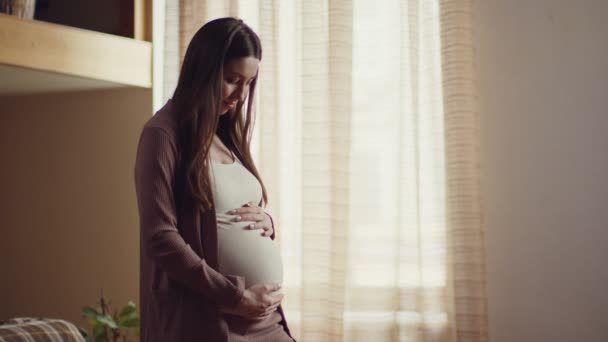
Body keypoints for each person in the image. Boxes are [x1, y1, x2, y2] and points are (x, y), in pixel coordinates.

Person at [134, 17, 294, 341]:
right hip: (211, 321)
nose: (240, 94)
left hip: (265, 322)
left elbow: (228, 209)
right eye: (233, 79)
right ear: (203, 72)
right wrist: (236, 296)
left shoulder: (225, 134)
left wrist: (266, 222)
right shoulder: (162, 136)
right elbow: (161, 239)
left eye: (249, 83)